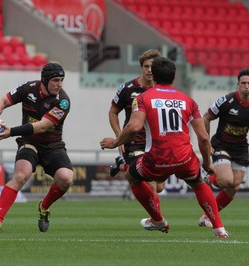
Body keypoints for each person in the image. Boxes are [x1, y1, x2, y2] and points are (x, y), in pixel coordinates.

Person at [100, 57, 229, 238]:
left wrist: (115, 142)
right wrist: (207, 162)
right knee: (198, 183)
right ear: (174, 77)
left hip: (157, 158)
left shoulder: (143, 98)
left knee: (132, 176)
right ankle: (219, 228)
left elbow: (134, 126)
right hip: (185, 157)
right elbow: (203, 137)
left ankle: (158, 220)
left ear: (155, 76)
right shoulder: (188, 100)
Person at [0, 62, 73, 233]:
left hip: (53, 146)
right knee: (20, 175)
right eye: (55, 80)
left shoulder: (63, 101)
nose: (59, 84)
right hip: (29, 142)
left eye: (61, 80)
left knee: (66, 179)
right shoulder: (28, 88)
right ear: (44, 80)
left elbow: (43, 126)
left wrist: (11, 132)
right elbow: (2, 101)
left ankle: (44, 207)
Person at [108, 49, 165, 200]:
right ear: (141, 67)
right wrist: (119, 136)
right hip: (134, 143)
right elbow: (113, 112)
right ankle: (157, 220)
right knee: (150, 182)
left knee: (159, 186)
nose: (149, 70)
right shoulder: (127, 89)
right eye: (146, 66)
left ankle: (121, 164)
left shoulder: (162, 89)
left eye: (152, 67)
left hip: (155, 143)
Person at [197, 68, 249, 228]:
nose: (247, 86)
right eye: (244, 83)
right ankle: (208, 179)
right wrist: (207, 143)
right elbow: (206, 117)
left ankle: (207, 217)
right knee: (227, 181)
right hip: (221, 145)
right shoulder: (227, 101)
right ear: (238, 84)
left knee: (235, 186)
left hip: (240, 148)